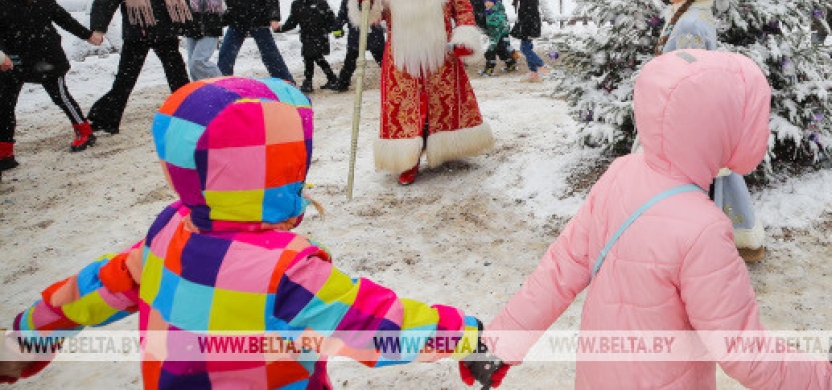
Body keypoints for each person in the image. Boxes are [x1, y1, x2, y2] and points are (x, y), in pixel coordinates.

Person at [0, 77, 498, 389]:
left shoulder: (170, 229)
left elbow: (95, 287)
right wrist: (466, 335)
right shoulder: (286, 270)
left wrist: (25, 338)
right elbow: (375, 326)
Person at [486, 50, 832, 390]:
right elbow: (743, 352)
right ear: (721, 128)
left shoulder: (620, 174)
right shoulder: (704, 229)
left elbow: (558, 271)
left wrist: (499, 345)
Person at [355, 0, 493, 186]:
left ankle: (447, 148)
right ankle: (408, 158)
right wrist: (365, 0)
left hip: (441, 56)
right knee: (404, 109)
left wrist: (464, 36)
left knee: (443, 105)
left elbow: (463, 9)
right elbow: (371, 18)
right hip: (401, 59)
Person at [656, 0, 765, 263]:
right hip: (696, 110)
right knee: (716, 172)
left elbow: (687, 76)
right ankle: (737, 235)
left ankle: (694, 240)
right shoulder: (690, 15)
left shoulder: (690, 24)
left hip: (687, 114)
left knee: (691, 174)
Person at [0, 0, 100, 167]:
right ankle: (5, 153)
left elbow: (64, 20)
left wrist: (88, 35)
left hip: (47, 58)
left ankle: (84, 131)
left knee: (60, 97)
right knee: (4, 106)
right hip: (12, 62)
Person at [86, 0, 193, 135]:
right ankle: (106, 119)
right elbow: (104, 3)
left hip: (165, 35)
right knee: (125, 80)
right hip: (137, 36)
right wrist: (99, 29)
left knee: (178, 76)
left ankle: (190, 116)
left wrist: (189, 27)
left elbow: (181, 3)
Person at [214, 0, 294, 83]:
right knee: (226, 53)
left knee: (269, 53)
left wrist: (273, 18)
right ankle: (223, 82)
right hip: (236, 23)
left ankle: (285, 80)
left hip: (258, 22)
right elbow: (216, 2)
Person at [279, 0, 338, 93]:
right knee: (315, 58)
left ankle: (309, 82)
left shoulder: (320, 3)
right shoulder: (296, 5)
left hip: (319, 36)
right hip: (306, 37)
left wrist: (334, 29)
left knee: (311, 58)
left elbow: (331, 19)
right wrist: (281, 28)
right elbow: (292, 21)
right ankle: (331, 78)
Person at [332, 0, 385, 91]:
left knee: (381, 58)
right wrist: (337, 27)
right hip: (355, 34)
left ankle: (390, 78)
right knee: (350, 60)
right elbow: (342, 14)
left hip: (373, 33)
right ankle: (343, 83)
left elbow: (378, 11)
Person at [178, 0, 225, 81]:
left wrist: (218, 22)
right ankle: (201, 88)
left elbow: (225, 7)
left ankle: (222, 83)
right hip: (191, 29)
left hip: (210, 29)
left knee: (198, 61)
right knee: (192, 66)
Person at [511, 0, 545, 82]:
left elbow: (531, 11)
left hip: (529, 25)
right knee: (527, 47)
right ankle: (534, 71)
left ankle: (541, 65)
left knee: (525, 49)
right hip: (526, 24)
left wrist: (525, 24)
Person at [480, 0, 515, 76]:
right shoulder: (490, 11)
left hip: (499, 35)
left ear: (494, 2)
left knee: (491, 52)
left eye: (489, 1)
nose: (487, 3)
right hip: (496, 35)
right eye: (485, 1)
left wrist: (495, 38)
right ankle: (511, 63)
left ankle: (489, 69)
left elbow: (500, 25)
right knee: (502, 51)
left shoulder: (498, 13)